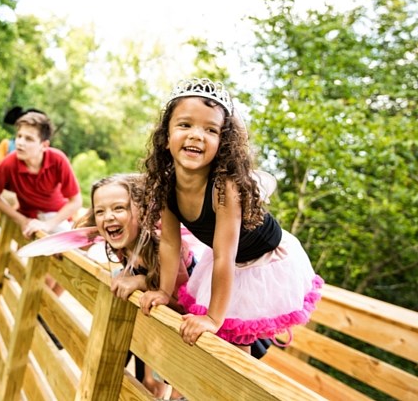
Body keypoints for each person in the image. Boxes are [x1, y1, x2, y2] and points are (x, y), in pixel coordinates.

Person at [138, 77, 324, 354]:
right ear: (165, 138)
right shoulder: (166, 184)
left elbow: (226, 255)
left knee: (233, 335)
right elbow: (169, 243)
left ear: (221, 144)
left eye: (210, 130)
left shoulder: (225, 187)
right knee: (222, 335)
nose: (196, 135)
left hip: (263, 261)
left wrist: (213, 318)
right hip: (229, 260)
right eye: (185, 124)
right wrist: (164, 292)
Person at [75, 173, 192, 399]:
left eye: (119, 208)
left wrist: (141, 281)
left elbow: (182, 298)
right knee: (149, 383)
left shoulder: (161, 245)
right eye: (100, 211)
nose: (108, 217)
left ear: (142, 210)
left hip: (188, 327)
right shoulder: (123, 243)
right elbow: (83, 235)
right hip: (157, 326)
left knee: (173, 391)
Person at [0, 109, 82, 238]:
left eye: (29, 139)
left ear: (44, 145)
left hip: (56, 217)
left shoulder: (58, 159)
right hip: (27, 217)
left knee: (73, 249)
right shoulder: (8, 163)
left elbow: (76, 201)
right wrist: (20, 219)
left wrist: (48, 224)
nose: (20, 143)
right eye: (19, 136)